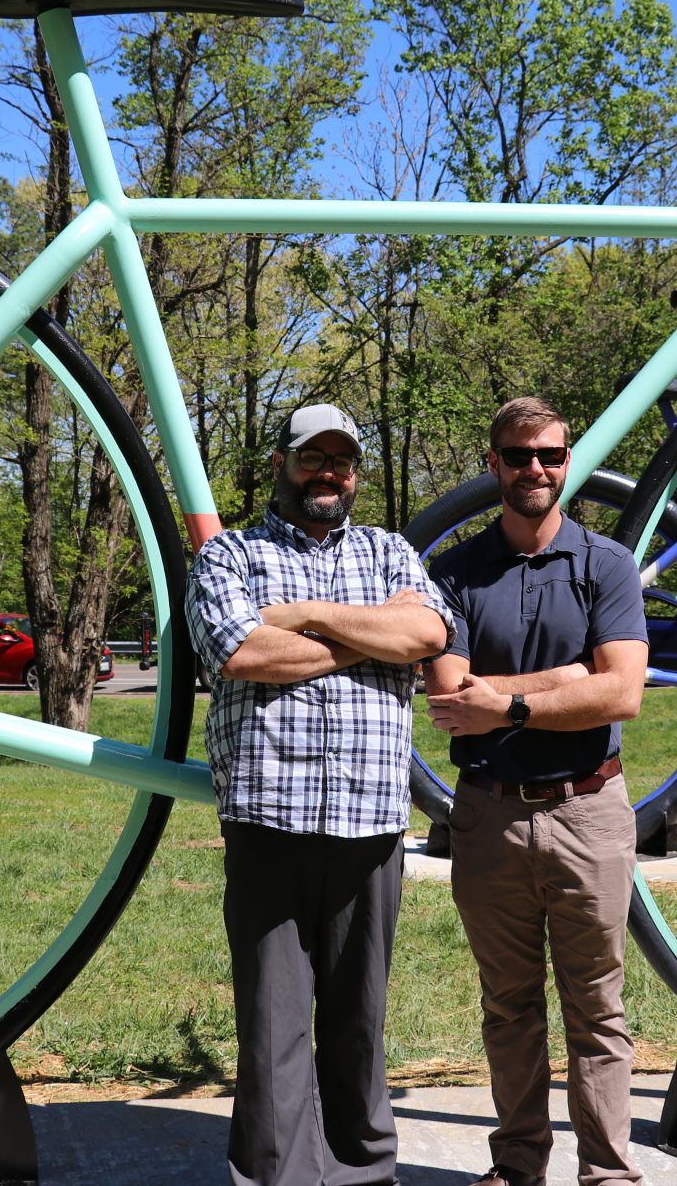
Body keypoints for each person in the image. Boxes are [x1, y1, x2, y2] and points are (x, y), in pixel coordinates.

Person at [185, 403, 455, 1186]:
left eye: (342, 459)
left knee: (358, 1020)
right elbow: (237, 649)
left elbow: (426, 634)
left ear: (357, 472)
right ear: (281, 462)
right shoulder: (230, 555)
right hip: (270, 816)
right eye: (312, 457)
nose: (328, 472)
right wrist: (367, 640)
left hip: (371, 821)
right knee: (272, 1025)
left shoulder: (389, 550)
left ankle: (364, 1172)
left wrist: (304, 617)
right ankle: (281, 1177)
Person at [424, 397, 650, 1186]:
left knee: (597, 1007)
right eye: (519, 456)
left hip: (590, 809)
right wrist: (568, 677)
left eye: (551, 455)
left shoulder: (606, 564)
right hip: (487, 815)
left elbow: (622, 694)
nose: (536, 470)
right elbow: (452, 696)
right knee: (508, 1004)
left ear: (568, 462)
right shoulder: (451, 571)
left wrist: (513, 701)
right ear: (493, 464)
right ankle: (519, 1164)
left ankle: (608, 1173)